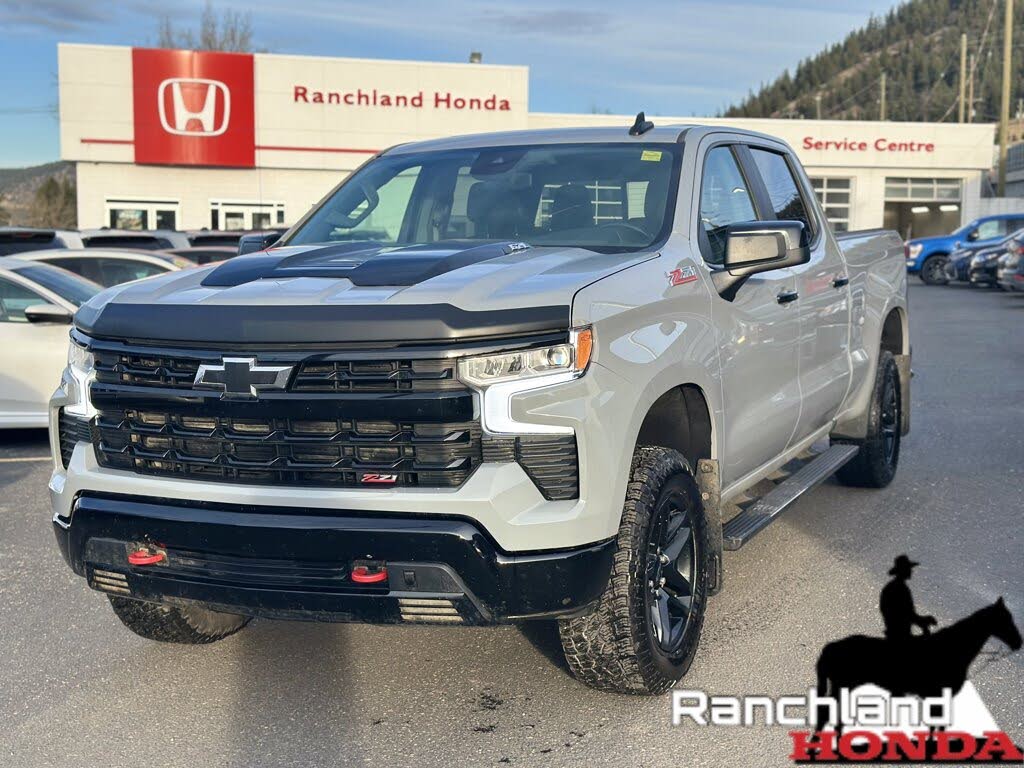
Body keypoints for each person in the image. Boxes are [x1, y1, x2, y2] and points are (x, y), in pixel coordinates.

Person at [880, 555, 938, 641]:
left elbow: (907, 613)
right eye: (908, 568)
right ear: (903, 570)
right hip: (900, 635)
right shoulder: (899, 588)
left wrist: (921, 620)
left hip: (896, 632)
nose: (911, 571)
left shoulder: (894, 587)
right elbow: (906, 613)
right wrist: (923, 621)